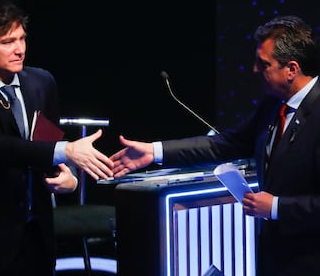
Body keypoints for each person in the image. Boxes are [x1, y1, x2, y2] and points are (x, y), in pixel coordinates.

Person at [110, 15, 320, 276]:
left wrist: (276, 207)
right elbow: (226, 144)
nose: (255, 70)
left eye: (263, 64)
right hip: (275, 256)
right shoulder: (272, 105)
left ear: (291, 69)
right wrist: (154, 151)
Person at [0, 0, 113, 276]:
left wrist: (67, 176)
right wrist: (67, 150)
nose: (19, 50)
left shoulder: (41, 82)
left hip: (35, 232)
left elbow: (46, 142)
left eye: (22, 39)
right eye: (7, 42)